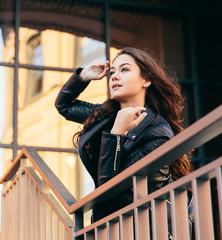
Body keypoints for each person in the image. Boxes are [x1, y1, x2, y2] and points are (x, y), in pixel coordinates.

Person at [55, 47, 194, 232]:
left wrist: (117, 133)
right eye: (112, 71)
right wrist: (82, 77)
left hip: (143, 231)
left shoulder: (158, 133)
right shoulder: (105, 116)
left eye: (124, 69)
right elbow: (64, 106)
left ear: (146, 80)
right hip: (109, 227)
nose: (114, 76)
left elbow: (111, 189)